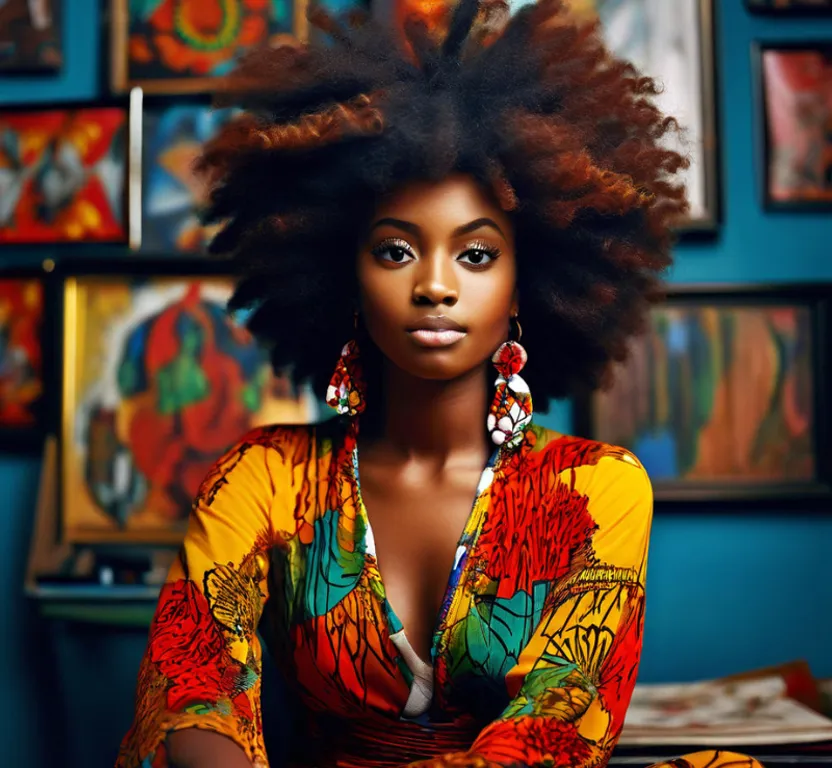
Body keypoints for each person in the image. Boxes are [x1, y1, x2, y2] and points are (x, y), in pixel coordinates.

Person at [117, 2, 764, 767]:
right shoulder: (263, 479)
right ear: (344, 277)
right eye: (395, 252)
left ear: (529, 285)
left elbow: (554, 726)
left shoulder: (594, 491)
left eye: (477, 255)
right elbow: (197, 684)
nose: (434, 286)